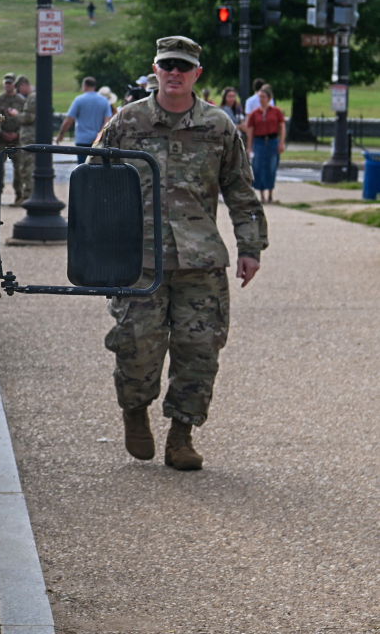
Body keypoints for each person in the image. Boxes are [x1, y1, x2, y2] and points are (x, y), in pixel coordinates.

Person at [91, 35, 266, 471]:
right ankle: (134, 411)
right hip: (140, 261)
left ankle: (182, 436)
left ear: (196, 75)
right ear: (155, 68)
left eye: (182, 66)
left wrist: (250, 247)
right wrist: (97, 247)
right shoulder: (126, 123)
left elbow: (240, 191)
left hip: (200, 262)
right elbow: (92, 182)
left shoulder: (218, 126)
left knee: (199, 349)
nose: (174, 72)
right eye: (167, 64)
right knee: (136, 348)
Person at [244, 83, 286, 202]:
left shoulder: (276, 111)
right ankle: (261, 194)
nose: (261, 99)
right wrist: (249, 147)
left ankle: (270, 193)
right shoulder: (254, 114)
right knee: (258, 167)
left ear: (269, 98)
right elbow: (250, 131)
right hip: (259, 142)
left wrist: (281, 142)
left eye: (263, 97)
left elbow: (282, 127)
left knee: (271, 166)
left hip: (272, 141)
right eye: (260, 97)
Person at [55, 76, 113, 160]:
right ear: (94, 86)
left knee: (82, 167)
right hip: (98, 140)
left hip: (82, 139)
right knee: (97, 167)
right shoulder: (104, 101)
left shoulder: (79, 100)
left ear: (85, 86)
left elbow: (69, 120)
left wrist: (61, 134)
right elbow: (107, 121)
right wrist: (101, 135)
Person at [0, 73, 27, 205]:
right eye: (6, 83)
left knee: (19, 169)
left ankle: (20, 195)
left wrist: (18, 134)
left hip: (17, 140)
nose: (8, 85)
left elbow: (24, 119)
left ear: (14, 85)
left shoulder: (21, 101)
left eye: (10, 83)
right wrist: (1, 133)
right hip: (1, 140)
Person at [14, 75, 35, 203]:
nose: (19, 92)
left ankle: (28, 196)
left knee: (27, 167)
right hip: (31, 137)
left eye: (19, 88)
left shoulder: (32, 97)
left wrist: (16, 115)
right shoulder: (34, 96)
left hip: (30, 137)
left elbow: (29, 117)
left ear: (23, 85)